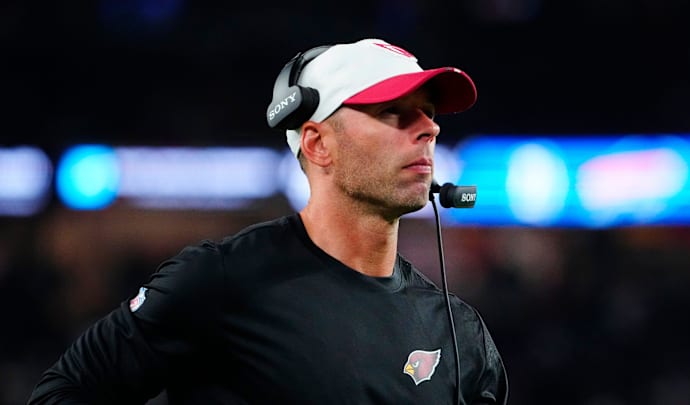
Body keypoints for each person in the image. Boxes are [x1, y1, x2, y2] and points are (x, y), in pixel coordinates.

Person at [28, 38, 508, 404]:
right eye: (394, 114)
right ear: (318, 144)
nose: (429, 128)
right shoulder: (220, 281)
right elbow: (61, 393)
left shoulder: (459, 332)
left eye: (426, 113)